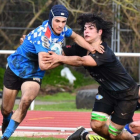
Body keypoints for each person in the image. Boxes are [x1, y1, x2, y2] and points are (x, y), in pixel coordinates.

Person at [0, 5, 103, 140]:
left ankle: (5, 137)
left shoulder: (63, 29)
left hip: (34, 73)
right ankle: (7, 118)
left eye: (63, 21)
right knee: (6, 109)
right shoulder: (43, 36)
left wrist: (92, 47)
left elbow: (76, 37)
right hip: (16, 67)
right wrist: (63, 59)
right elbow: (44, 65)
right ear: (51, 19)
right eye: (57, 21)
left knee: (26, 101)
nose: (60, 25)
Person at [42, 13, 140, 140]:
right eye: (85, 28)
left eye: (91, 28)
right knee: (96, 125)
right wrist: (36, 45)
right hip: (107, 92)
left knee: (114, 134)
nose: (86, 31)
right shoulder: (81, 48)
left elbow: (81, 61)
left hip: (126, 95)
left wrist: (59, 58)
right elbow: (59, 52)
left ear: (100, 32)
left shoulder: (104, 51)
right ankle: (87, 136)